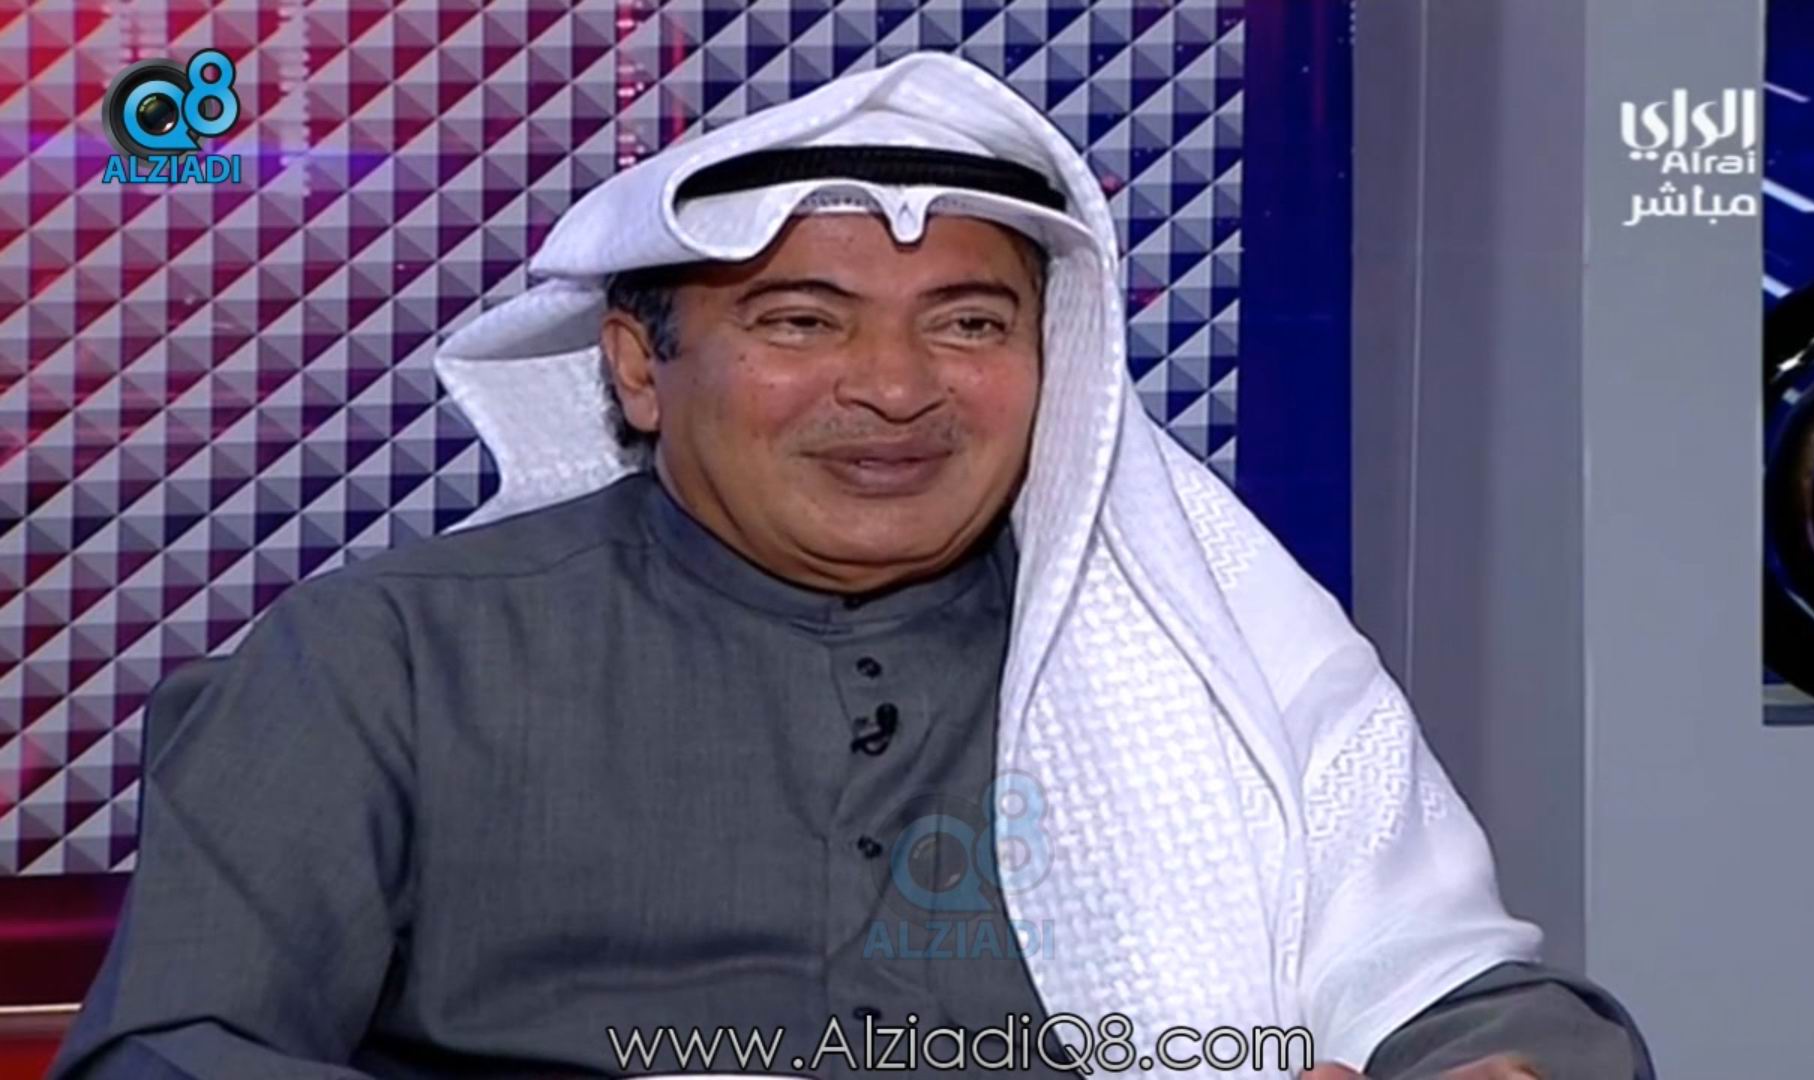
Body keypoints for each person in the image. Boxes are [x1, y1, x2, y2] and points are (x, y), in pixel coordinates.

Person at [50, 52, 1651, 1079]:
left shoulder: (1199, 652)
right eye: (802, 322)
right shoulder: (384, 661)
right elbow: (174, 1049)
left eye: (969, 322)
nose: (894, 390)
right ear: (639, 366)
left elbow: (1478, 1001)